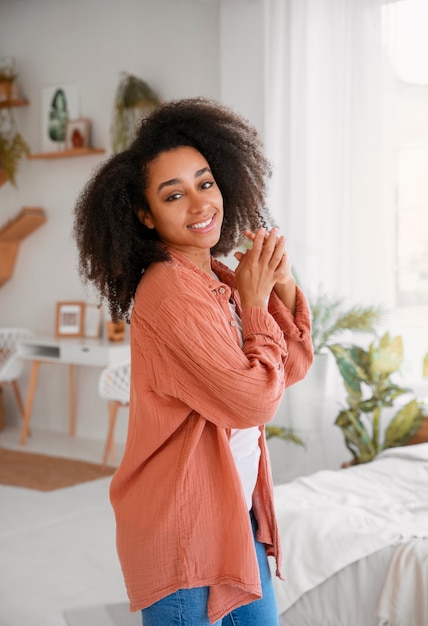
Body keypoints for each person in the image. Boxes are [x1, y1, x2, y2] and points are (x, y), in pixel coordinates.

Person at [73, 97, 313, 626]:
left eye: (205, 183)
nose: (199, 204)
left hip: (233, 518)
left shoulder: (217, 280)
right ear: (145, 214)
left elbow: (288, 366)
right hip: (185, 534)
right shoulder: (170, 292)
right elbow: (253, 403)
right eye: (173, 194)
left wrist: (280, 283)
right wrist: (254, 304)